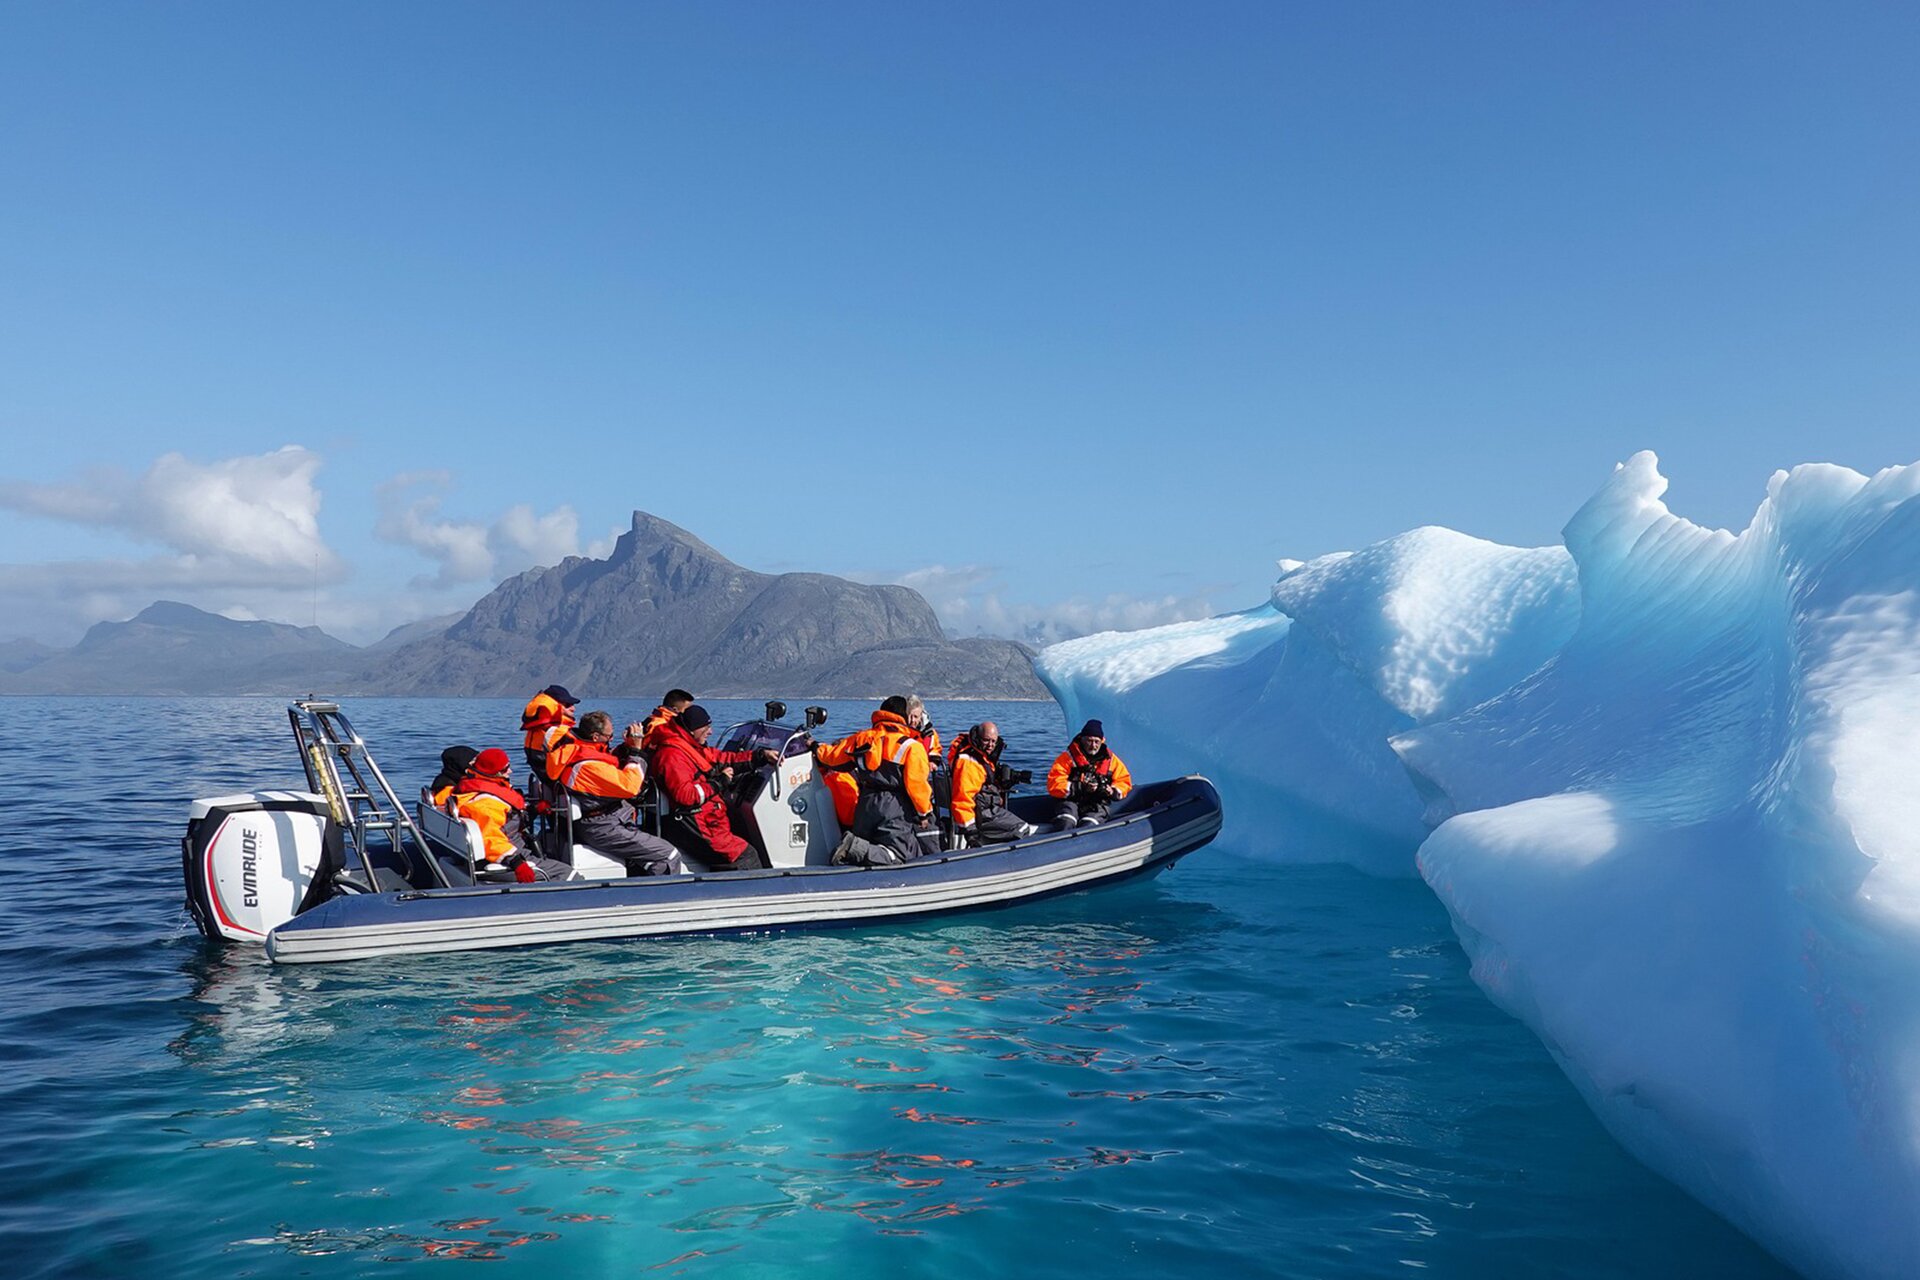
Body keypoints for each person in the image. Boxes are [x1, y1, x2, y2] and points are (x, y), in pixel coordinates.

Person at [547, 711, 682, 877]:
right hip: (601, 825)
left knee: (647, 854)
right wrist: (636, 751)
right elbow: (630, 787)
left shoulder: (577, 751)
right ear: (595, 737)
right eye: (609, 736)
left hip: (606, 818)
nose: (611, 740)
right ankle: (663, 896)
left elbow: (610, 766)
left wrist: (626, 747)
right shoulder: (589, 766)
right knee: (668, 855)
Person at [651, 705, 777, 871]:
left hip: (705, 819)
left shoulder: (689, 747)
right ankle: (752, 892)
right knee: (745, 855)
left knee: (740, 842)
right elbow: (686, 796)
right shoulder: (673, 756)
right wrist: (719, 783)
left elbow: (722, 759)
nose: (710, 732)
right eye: (706, 728)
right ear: (693, 729)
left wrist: (760, 756)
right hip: (694, 823)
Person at [813, 696, 935, 865]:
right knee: (899, 855)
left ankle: (854, 855)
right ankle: (851, 846)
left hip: (866, 803)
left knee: (865, 850)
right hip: (893, 806)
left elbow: (832, 757)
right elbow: (917, 785)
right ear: (904, 717)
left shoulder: (861, 738)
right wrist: (924, 813)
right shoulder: (911, 746)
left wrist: (814, 746)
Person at [447, 748, 573, 882]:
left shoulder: (477, 789)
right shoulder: (485, 804)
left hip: (512, 847)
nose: (510, 771)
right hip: (506, 855)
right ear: (495, 773)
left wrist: (533, 810)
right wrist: (517, 862)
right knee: (568, 873)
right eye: (505, 769)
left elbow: (506, 821)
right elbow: (490, 838)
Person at [949, 722, 1036, 847]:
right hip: (982, 814)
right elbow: (962, 799)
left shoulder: (982, 756)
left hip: (987, 809)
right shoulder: (968, 763)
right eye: (986, 740)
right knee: (1022, 828)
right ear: (978, 738)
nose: (990, 745)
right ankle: (985, 844)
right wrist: (971, 832)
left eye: (993, 741)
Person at [1047, 720, 1133, 830]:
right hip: (1071, 801)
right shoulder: (1067, 758)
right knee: (1066, 821)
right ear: (1082, 739)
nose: (1093, 745)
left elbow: (1124, 781)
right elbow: (1054, 783)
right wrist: (1080, 787)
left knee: (1089, 825)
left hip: (1097, 803)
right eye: (1089, 741)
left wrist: (1111, 791)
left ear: (1102, 741)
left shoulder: (1112, 761)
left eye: (1096, 742)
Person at [519, 685, 581, 777]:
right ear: (555, 706)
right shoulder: (559, 731)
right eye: (567, 705)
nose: (573, 708)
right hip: (561, 780)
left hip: (545, 777)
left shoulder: (535, 729)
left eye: (573, 705)